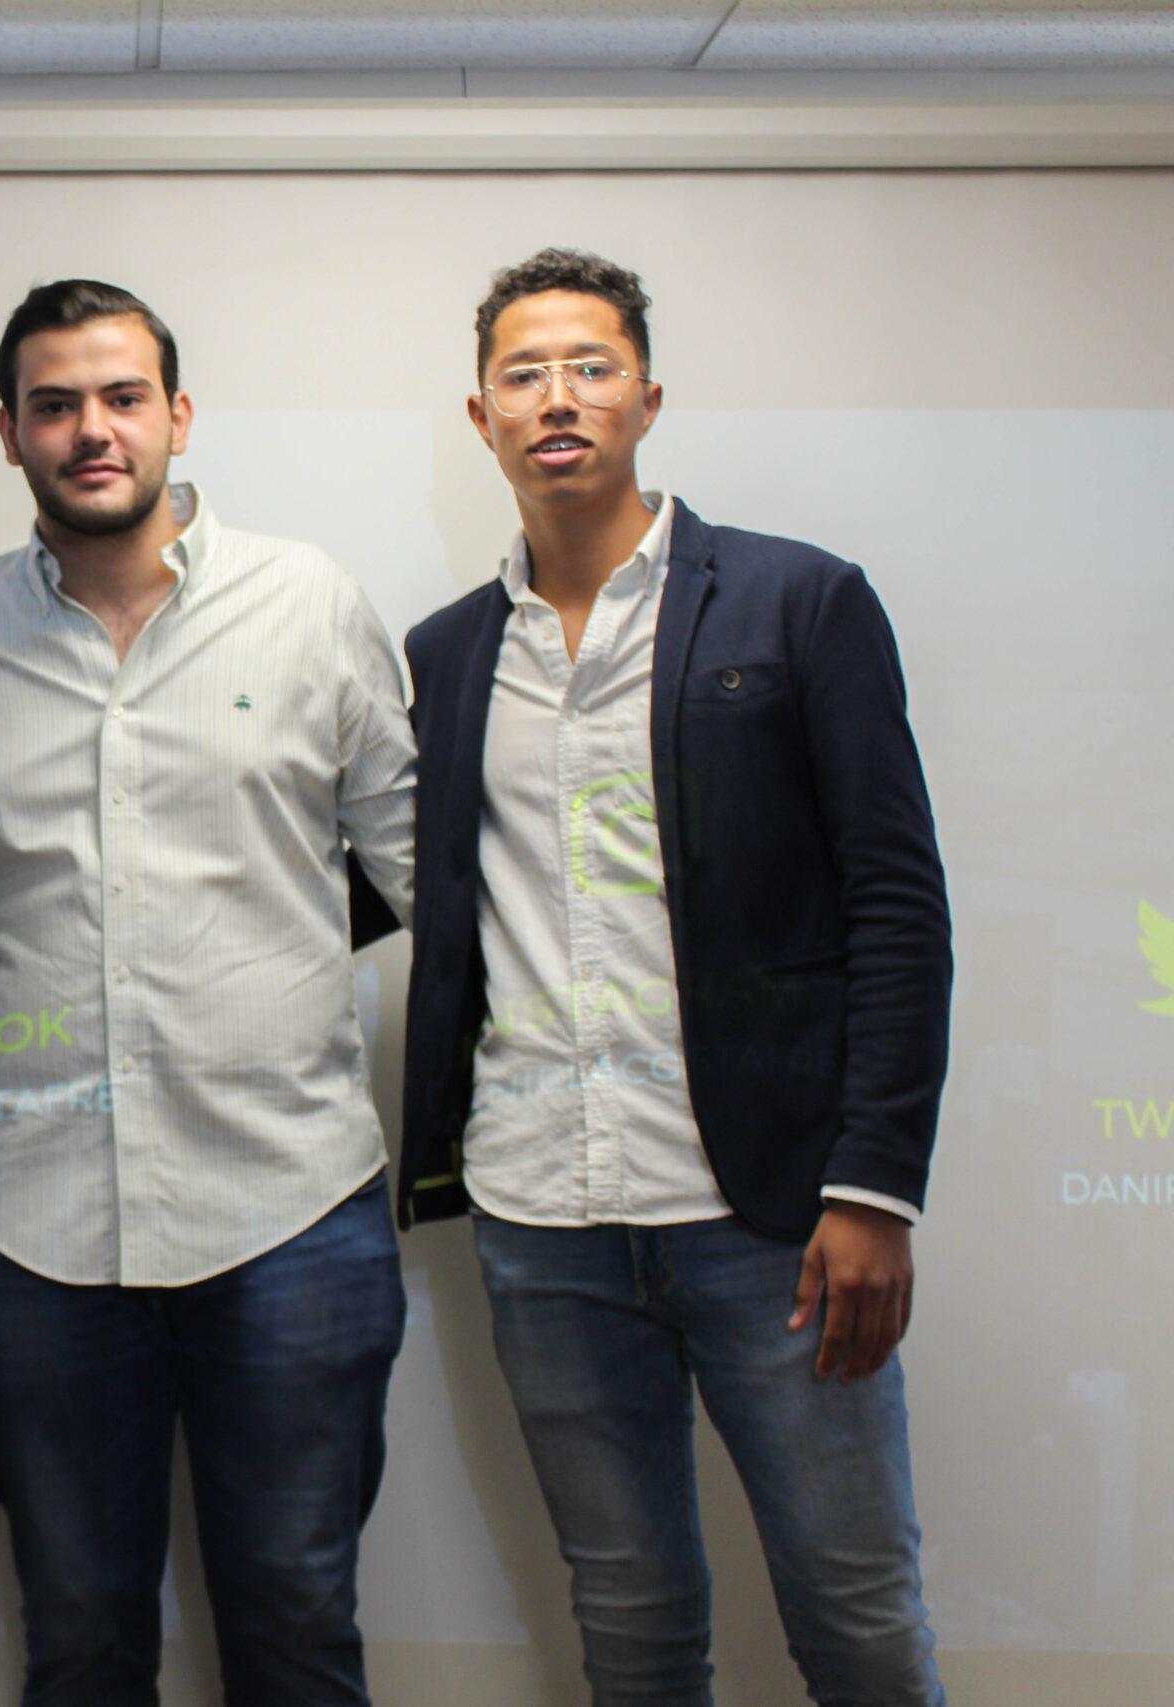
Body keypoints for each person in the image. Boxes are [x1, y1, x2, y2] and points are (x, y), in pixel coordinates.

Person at [397, 247, 951, 1706]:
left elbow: (898, 905)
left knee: (859, 1624)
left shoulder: (798, 602)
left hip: (774, 1221)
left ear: (647, 399)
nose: (557, 396)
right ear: (480, 417)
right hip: (544, 1220)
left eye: (590, 366)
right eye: (524, 373)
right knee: (632, 1632)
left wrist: (875, 1188)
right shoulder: (446, 658)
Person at [0, 280, 416, 1706]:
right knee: (79, 1640)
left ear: (178, 414)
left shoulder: (310, 605)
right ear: (10, 433)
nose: (91, 430)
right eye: (54, 404)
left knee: (298, 1632)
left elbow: (414, 868)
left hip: (290, 1211)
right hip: (32, 1228)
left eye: (121, 398)